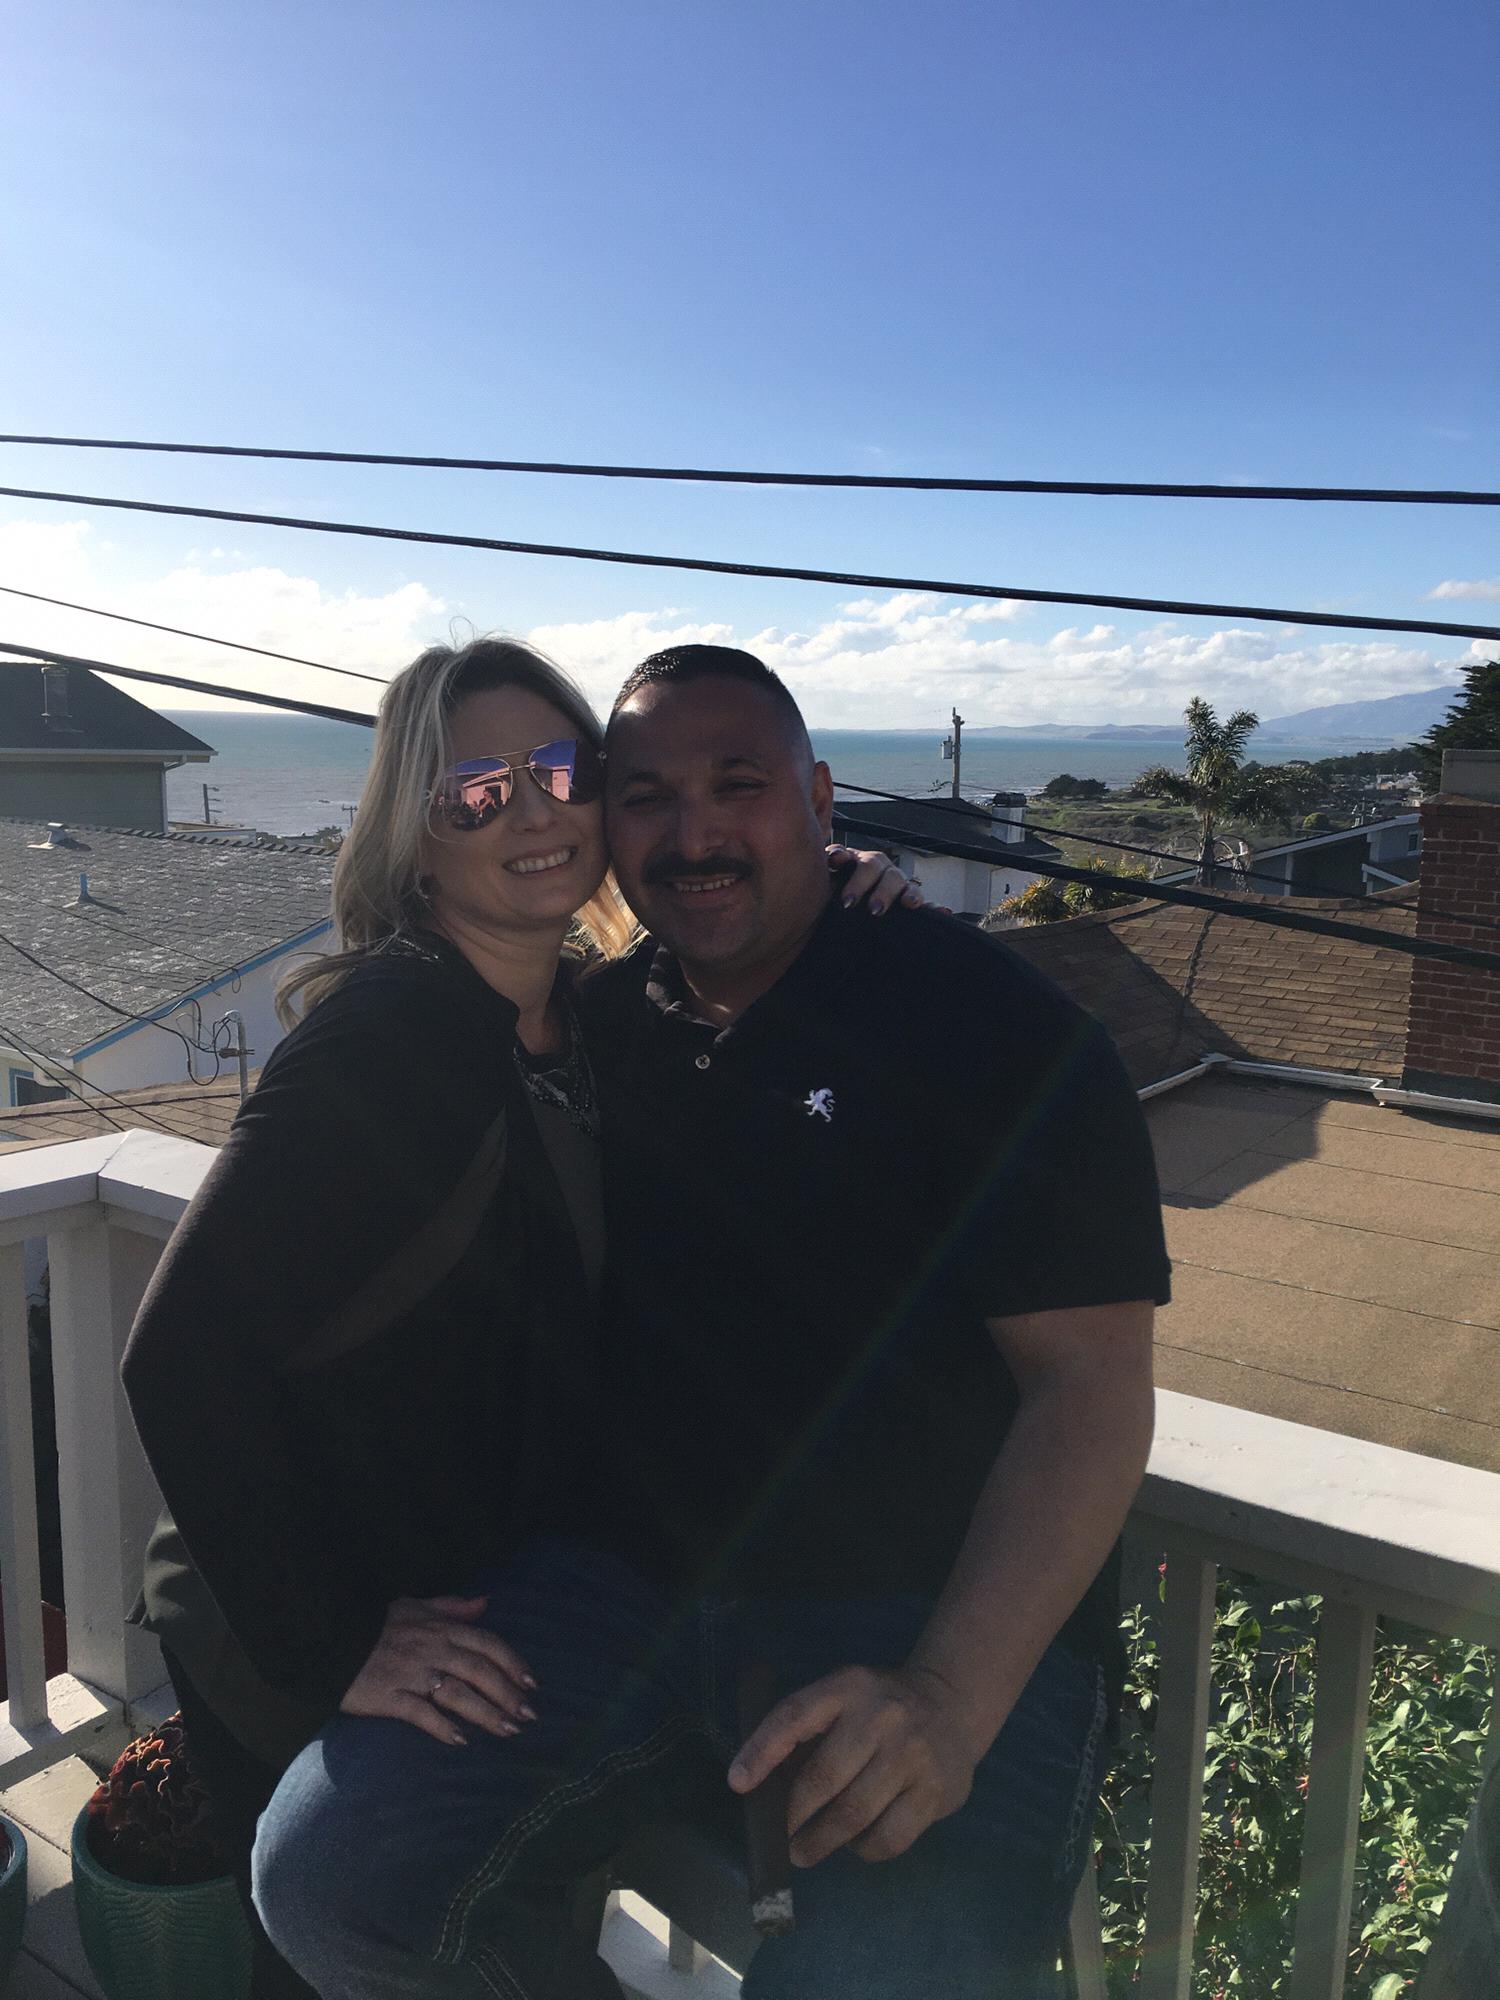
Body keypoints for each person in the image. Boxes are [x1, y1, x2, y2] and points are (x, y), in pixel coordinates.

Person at [249, 645, 1170, 1999]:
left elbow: (1088, 1389)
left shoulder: (997, 1034)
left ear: (821, 801)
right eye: (646, 796)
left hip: (923, 1620)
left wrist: (947, 1696)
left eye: (741, 785)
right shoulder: (594, 1026)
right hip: (623, 1597)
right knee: (330, 1878)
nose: (694, 835)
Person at [120, 633, 914, 1999]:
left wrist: (823, 884)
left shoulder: (582, 1015)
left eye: (559, 769)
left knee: (485, 1930)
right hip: (307, 1605)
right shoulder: (393, 1036)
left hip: (485, 1597)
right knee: (336, 1942)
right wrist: (336, 1638)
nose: (534, 810)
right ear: (419, 838)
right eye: (477, 791)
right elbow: (180, 1352)